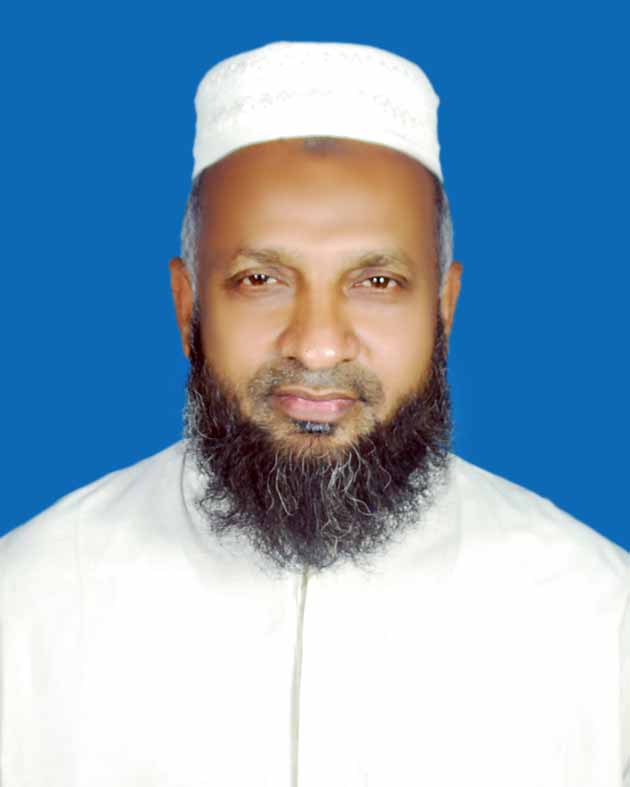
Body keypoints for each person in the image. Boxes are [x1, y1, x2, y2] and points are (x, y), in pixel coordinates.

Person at [1, 40, 628, 787]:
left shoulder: (603, 619)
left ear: (444, 308)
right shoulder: (24, 606)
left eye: (377, 281)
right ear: (187, 306)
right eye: (260, 279)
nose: (319, 344)